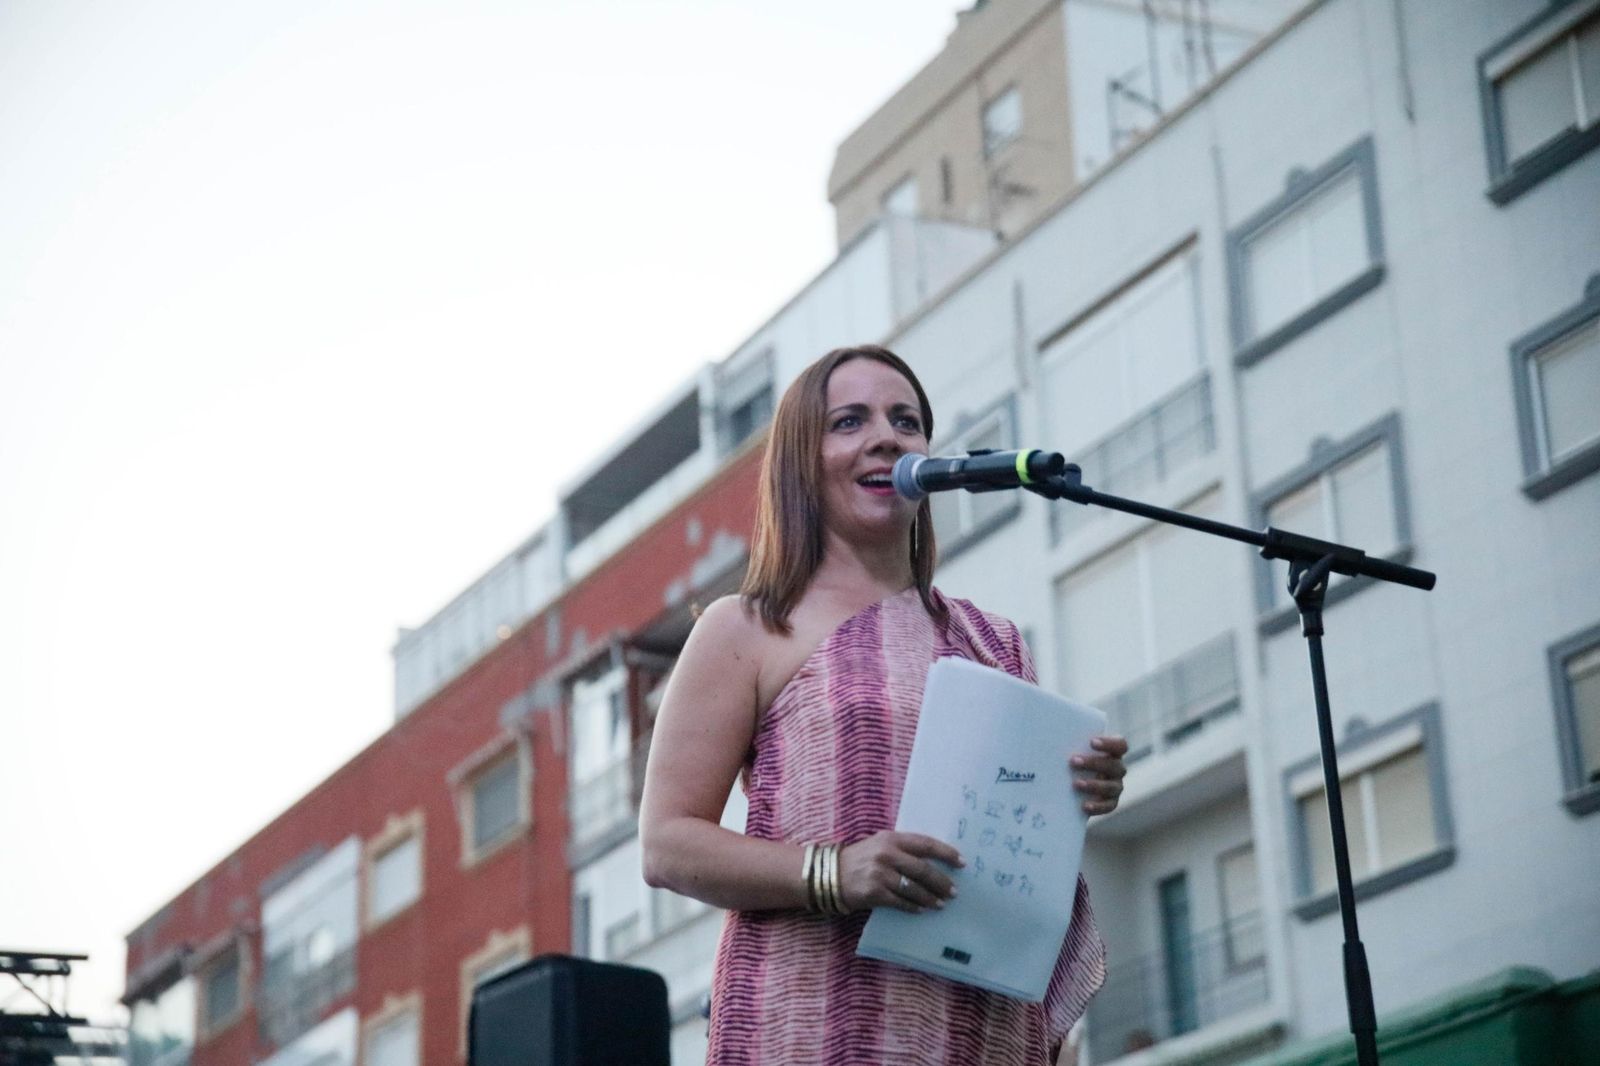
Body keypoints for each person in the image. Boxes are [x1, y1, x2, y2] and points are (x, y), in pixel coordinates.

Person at [639, 345, 1128, 1065]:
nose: (887, 436)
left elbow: (1009, 834)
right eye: (848, 421)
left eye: (906, 420)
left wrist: (1077, 791)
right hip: (811, 1020)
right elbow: (667, 844)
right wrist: (834, 873)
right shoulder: (746, 628)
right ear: (802, 461)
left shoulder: (994, 640)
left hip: (981, 1022)